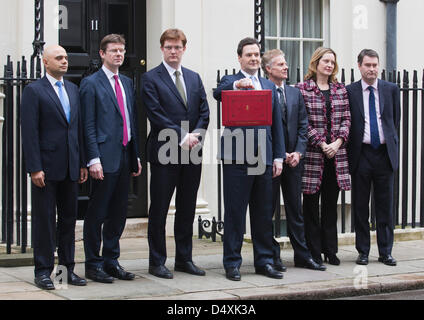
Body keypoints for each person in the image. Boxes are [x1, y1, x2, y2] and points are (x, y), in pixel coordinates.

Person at [213, 37, 285, 281]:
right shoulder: (230, 81)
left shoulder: (268, 84)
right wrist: (235, 86)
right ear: (240, 58)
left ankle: (264, 261)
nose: (253, 58)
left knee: (263, 213)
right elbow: (217, 93)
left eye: (256, 54)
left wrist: (278, 157)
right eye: (249, 55)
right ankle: (232, 263)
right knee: (234, 213)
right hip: (236, 158)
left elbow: (277, 126)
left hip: (263, 158)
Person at [140, 29, 210, 279]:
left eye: (177, 47)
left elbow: (204, 111)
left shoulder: (193, 77)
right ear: (162, 49)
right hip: (165, 151)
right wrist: (182, 136)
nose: (173, 51)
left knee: (187, 207)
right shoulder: (150, 78)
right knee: (159, 209)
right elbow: (155, 113)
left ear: (184, 49)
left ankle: (184, 259)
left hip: (192, 152)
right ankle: (157, 261)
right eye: (168, 47)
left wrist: (197, 135)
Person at [21, 45, 88, 290]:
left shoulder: (73, 89)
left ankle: (66, 271)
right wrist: (34, 167)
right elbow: (29, 132)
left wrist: (82, 162)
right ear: (45, 62)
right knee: (45, 220)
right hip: (45, 169)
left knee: (68, 220)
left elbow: (77, 128)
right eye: (58, 58)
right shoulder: (33, 91)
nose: (64, 61)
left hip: (71, 166)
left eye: (66, 58)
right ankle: (43, 271)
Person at [80, 34, 142, 283]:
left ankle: (111, 260)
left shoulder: (127, 82)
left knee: (118, 213)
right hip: (103, 159)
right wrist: (92, 158)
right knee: (97, 213)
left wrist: (135, 155)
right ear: (103, 54)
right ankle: (92, 264)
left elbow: (130, 121)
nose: (119, 54)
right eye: (114, 50)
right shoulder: (91, 83)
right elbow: (88, 125)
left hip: (125, 156)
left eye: (122, 50)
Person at [261, 49, 326, 271]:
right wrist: (277, 155)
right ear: (268, 69)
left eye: (286, 63)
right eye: (280, 64)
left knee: (295, 211)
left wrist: (298, 152)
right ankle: (272, 256)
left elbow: (302, 126)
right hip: (272, 162)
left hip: (294, 162)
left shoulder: (295, 93)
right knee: (267, 211)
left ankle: (302, 255)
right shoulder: (263, 91)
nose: (286, 67)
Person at [295, 47, 351, 266]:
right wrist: (321, 142)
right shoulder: (302, 89)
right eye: (325, 61)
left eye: (332, 62)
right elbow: (303, 122)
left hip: (336, 157)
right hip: (313, 157)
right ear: (316, 62)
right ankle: (313, 251)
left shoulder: (340, 90)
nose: (329, 65)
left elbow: (347, 119)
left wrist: (337, 143)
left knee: (330, 206)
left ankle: (331, 250)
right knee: (310, 206)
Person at [347, 49, 400, 266]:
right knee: (360, 205)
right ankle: (363, 251)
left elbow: (395, 120)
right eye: (367, 65)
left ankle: (385, 251)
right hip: (361, 154)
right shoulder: (350, 91)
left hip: (384, 154)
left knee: (385, 206)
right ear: (359, 66)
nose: (372, 69)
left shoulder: (391, 89)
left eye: (375, 65)